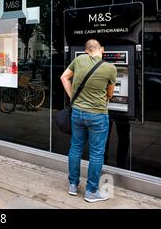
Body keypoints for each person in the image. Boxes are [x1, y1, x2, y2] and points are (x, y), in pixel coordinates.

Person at [60, 39, 117, 203]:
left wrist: (73, 97)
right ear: (102, 50)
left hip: (77, 113)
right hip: (98, 115)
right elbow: (110, 94)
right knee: (96, 154)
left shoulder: (78, 60)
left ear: (86, 51)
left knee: (75, 149)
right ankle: (91, 192)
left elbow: (64, 77)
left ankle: (73, 185)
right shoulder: (110, 68)